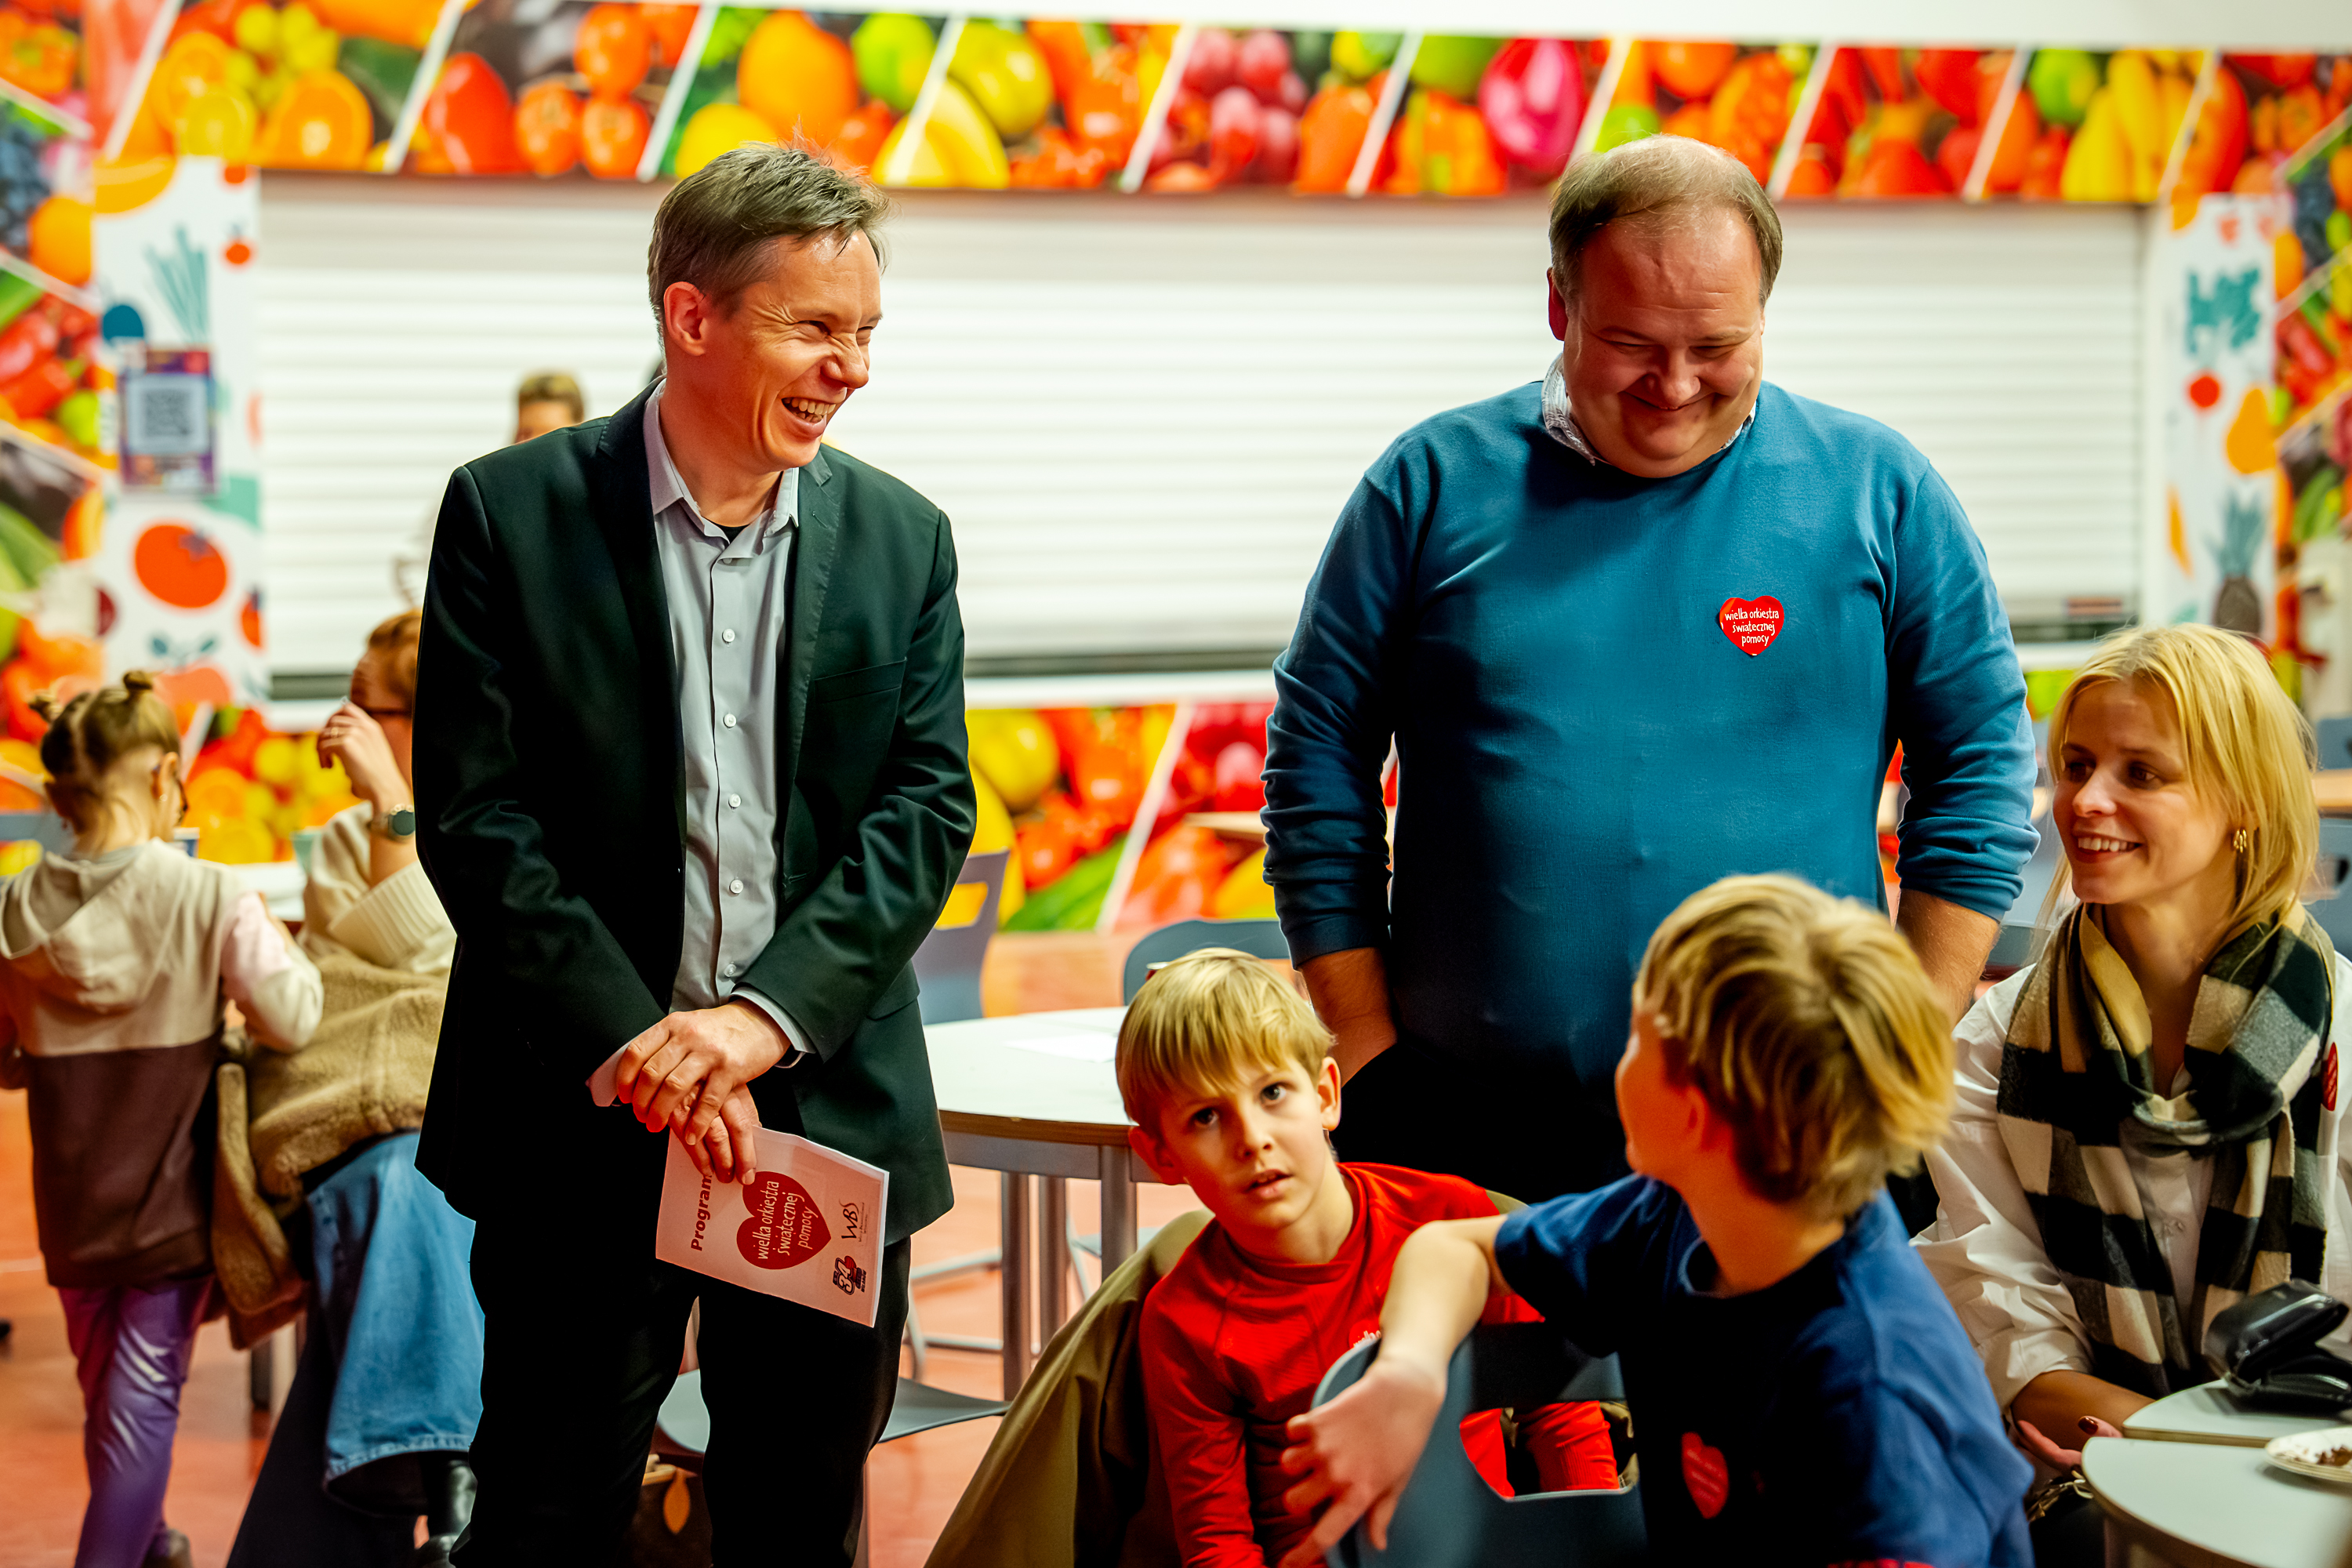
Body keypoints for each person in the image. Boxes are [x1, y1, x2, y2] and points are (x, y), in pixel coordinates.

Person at [1262, 135, 2037, 1206]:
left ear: (1765, 313)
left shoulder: (1880, 493)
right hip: (1464, 1132)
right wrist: (1361, 1040)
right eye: (1631, 343)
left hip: (1802, 1127)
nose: (1674, 386)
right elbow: (1316, 759)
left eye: (1717, 345)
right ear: (1559, 305)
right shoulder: (1427, 488)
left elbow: (1982, 766)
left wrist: (1904, 1036)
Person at [414, 145, 972, 1565]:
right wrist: (643, 1047)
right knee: (547, 1521)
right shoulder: (509, 516)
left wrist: (753, 1024)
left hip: (819, 1112)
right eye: (816, 328)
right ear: (693, 318)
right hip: (580, 1117)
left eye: (866, 332)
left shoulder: (904, 541)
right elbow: (478, 817)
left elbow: (923, 812)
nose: (853, 370)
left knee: (797, 1519)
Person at [1277, 874, 2033, 1568]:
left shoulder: (1873, 1392)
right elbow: (1457, 1250)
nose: (1616, 1058)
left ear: (1695, 1112)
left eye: (1638, 1037)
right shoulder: (1677, 1213)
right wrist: (1409, 1376)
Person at [1915, 622, 2352, 1560]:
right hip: (2099, 1494)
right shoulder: (1993, 1045)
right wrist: (2183, 1460)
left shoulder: (2341, 1034)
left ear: (2244, 801)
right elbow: (2007, 1329)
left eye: (2141, 772)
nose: (2084, 800)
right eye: (2076, 765)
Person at [1121, 949, 1617, 1568]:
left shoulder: (1453, 1220)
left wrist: (1596, 1550)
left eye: (1272, 1091)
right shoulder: (1183, 1323)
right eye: (1205, 1117)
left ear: (1326, 1094)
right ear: (1161, 1156)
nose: (1252, 1139)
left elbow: (1560, 1419)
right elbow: (1218, 1544)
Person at [0, 675, 322, 1568]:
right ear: (164, 774)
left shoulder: (13, 910)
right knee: (142, 1405)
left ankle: (152, 1542)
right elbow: (292, 1016)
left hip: (72, 1208)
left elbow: (4, 1058)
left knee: (109, 1395)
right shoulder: (209, 895)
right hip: (168, 1206)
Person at [221, 608, 481, 1568]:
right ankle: (457, 1495)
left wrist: (397, 806)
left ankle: (429, 1489)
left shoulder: (511, 823)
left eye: (369, 708)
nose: (345, 724)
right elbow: (415, 961)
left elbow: (440, 956)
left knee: (408, 1207)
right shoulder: (336, 843)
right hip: (358, 1126)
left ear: (431, 716)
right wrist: (386, 815)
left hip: (455, 1126)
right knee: (409, 1184)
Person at [391, 371, 586, 606]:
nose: (533, 445)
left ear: (581, 428)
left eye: (548, 434)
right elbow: (411, 560)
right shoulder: (479, 484)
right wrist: (435, 619)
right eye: (525, 432)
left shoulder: (598, 490)